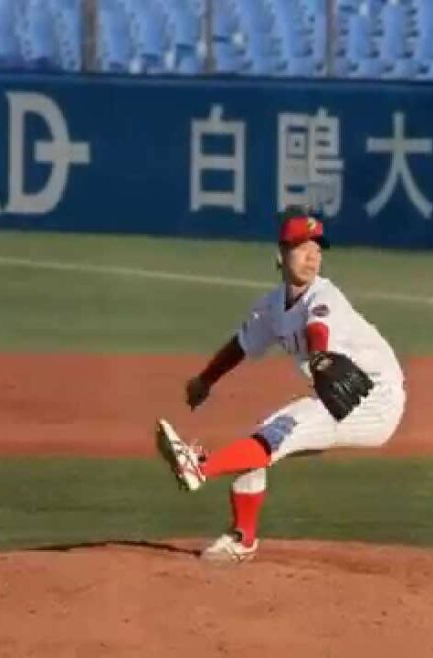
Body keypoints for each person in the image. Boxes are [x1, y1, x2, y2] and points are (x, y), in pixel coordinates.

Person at [155, 207, 406, 562]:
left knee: (274, 435)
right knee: (265, 437)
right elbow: (241, 345)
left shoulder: (324, 296)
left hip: (375, 398)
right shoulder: (272, 306)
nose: (312, 257)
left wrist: (318, 356)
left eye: (317, 249)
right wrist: (205, 380)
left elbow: (318, 329)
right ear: (280, 255)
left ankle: (199, 469)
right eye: (302, 247)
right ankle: (243, 538)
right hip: (342, 396)